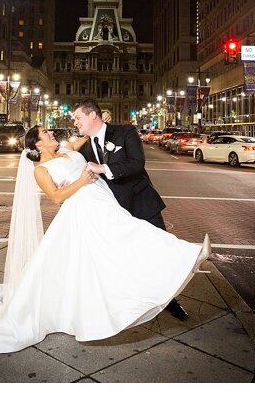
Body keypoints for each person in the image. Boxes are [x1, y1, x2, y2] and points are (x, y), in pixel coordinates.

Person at [0, 126, 210, 354]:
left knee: (119, 244)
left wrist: (99, 124)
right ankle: (188, 254)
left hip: (103, 201)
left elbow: (90, 136)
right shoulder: (40, 170)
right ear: (36, 144)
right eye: (45, 133)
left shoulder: (68, 149)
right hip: (83, 209)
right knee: (128, 235)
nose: (51, 134)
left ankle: (171, 265)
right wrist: (81, 181)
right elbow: (56, 197)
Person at [72, 99, 190, 320]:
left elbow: (137, 163)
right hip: (115, 212)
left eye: (78, 117)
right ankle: (136, 299)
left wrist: (103, 168)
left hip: (141, 202)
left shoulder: (125, 132)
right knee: (129, 257)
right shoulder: (85, 147)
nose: (75, 122)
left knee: (160, 251)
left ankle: (170, 300)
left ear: (93, 116)